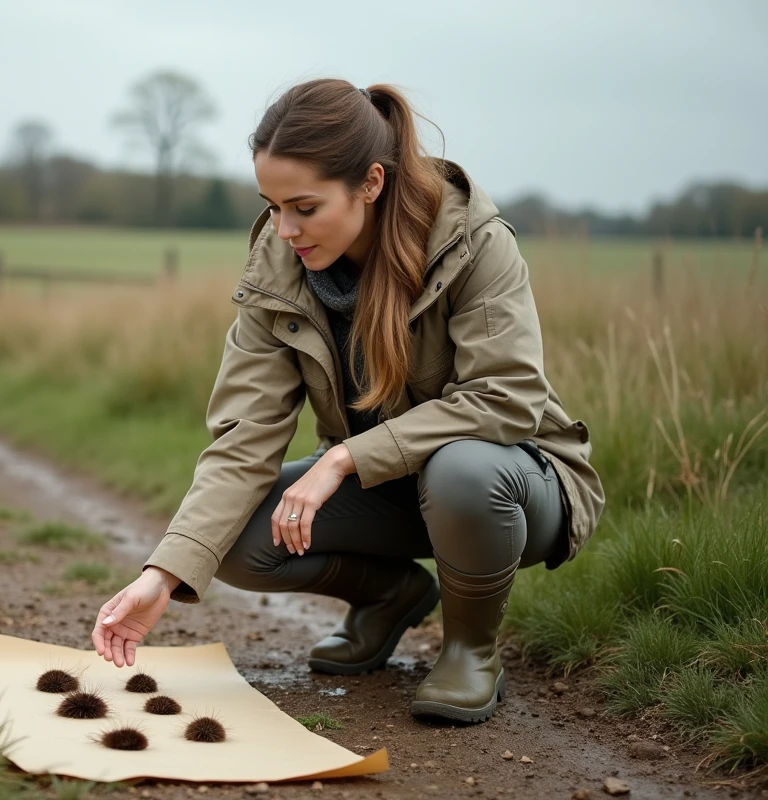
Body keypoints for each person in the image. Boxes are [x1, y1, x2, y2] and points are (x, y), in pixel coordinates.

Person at [90, 79, 605, 724]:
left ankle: (471, 649)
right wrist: (162, 575)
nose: (285, 230)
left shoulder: (472, 239)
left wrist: (341, 460)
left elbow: (506, 400)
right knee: (241, 538)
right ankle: (392, 596)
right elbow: (243, 437)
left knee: (464, 470)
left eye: (304, 207)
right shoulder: (275, 272)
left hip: (514, 484)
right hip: (390, 486)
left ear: (370, 183)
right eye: (272, 206)